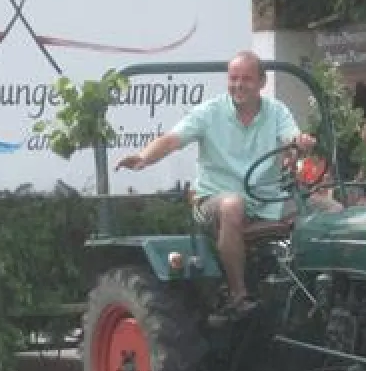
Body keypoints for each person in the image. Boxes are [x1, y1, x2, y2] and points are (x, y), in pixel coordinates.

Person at [115, 50, 315, 314]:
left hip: (267, 199)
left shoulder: (276, 111)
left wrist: (300, 144)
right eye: (233, 78)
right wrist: (143, 157)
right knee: (233, 205)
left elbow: (292, 139)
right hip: (214, 199)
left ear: (261, 83)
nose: (238, 85)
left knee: (329, 210)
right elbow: (172, 140)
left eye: (246, 79)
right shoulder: (209, 112)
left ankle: (318, 292)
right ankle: (238, 295)